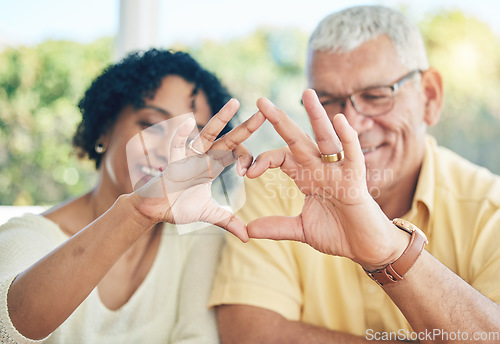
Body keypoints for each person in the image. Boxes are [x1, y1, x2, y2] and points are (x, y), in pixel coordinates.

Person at [210, 5, 500, 343]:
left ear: (430, 97)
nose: (351, 124)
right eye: (329, 101)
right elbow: (251, 334)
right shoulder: (272, 188)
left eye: (377, 96)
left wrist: (391, 252)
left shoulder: (490, 211)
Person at [0, 49, 264, 343]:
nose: (172, 150)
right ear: (104, 129)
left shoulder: (198, 243)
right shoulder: (24, 239)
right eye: (152, 124)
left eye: (191, 138)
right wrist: (138, 212)